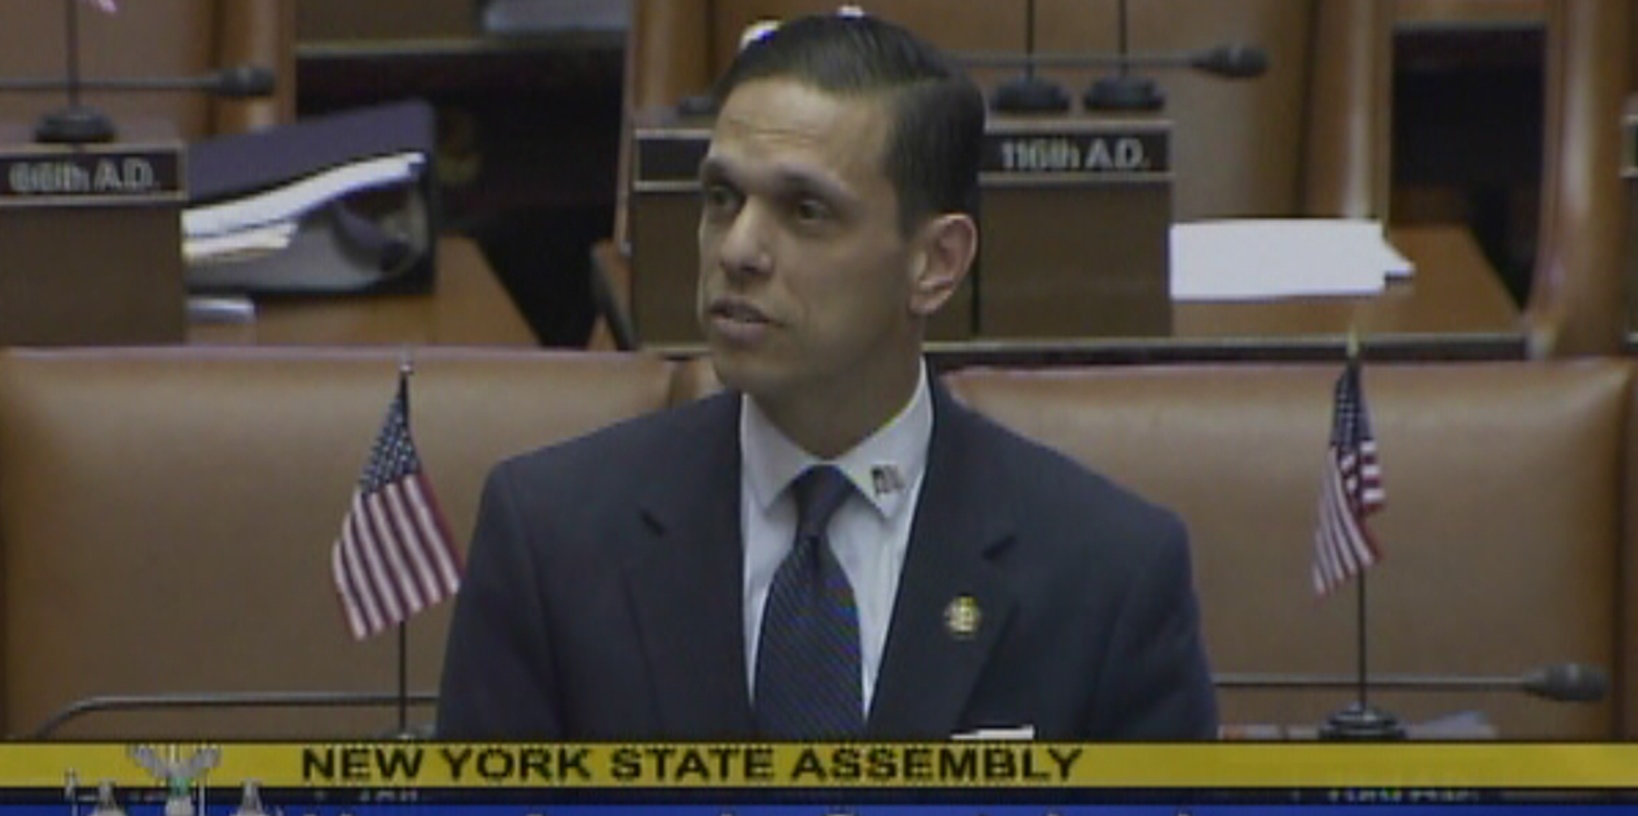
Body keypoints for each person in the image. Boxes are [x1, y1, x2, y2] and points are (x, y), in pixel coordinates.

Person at [437, 12, 1216, 740]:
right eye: (722, 198)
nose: (737, 250)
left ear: (935, 264)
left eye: (805, 211)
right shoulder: (551, 542)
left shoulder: (1108, 574)